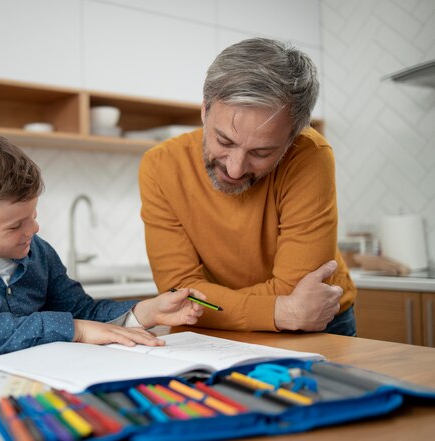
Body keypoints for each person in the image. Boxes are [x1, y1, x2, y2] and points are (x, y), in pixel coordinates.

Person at [0, 118, 205, 360]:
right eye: (15, 226)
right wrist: (73, 329)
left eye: (33, 215)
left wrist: (147, 311)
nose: (34, 229)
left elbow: (83, 313)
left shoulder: (37, 252)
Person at [138, 38, 356, 336]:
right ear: (204, 110)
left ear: (293, 137)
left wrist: (227, 305)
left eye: (262, 153)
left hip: (313, 321)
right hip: (220, 325)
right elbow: (181, 296)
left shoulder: (309, 155)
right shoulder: (161, 165)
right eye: (224, 141)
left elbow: (297, 290)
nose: (235, 168)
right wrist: (282, 310)